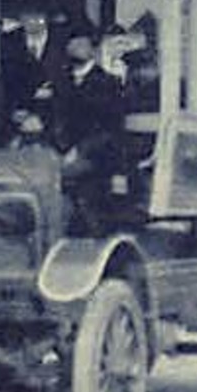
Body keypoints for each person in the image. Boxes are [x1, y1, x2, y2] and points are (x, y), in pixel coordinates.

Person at [49, 17, 127, 233]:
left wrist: (79, 150)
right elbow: (51, 119)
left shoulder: (109, 84)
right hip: (59, 156)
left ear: (93, 48)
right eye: (72, 44)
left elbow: (111, 130)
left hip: (95, 160)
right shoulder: (59, 82)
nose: (77, 48)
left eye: (82, 44)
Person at [0, 7, 59, 142]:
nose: (33, 20)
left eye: (38, 14)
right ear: (20, 17)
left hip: (56, 122)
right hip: (16, 121)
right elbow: (5, 84)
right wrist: (14, 110)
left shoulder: (62, 40)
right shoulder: (8, 41)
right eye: (27, 14)